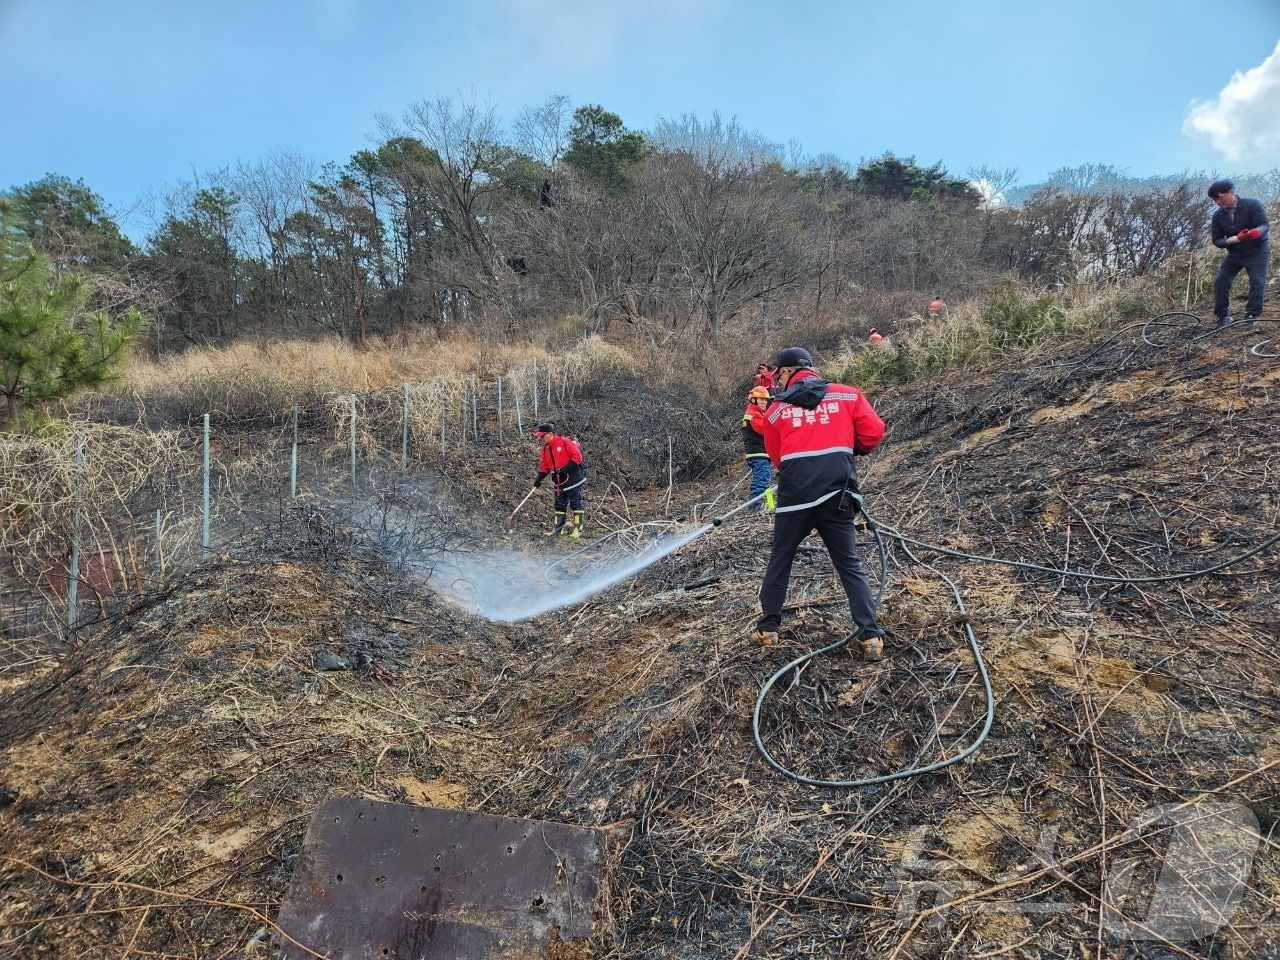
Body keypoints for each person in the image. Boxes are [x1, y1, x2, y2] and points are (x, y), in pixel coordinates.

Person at [754, 347, 888, 660]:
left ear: (786, 373)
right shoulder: (848, 395)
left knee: (781, 557)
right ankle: (870, 636)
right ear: (811, 369)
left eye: (779, 377)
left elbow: (778, 458)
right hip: (837, 494)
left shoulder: (775, 409)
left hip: (795, 496)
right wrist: (843, 447)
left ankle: (769, 628)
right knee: (848, 563)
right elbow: (873, 433)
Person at [1208, 180, 1269, 330]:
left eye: (1220, 198)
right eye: (1214, 200)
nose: (1217, 202)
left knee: (1257, 282)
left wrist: (1254, 233)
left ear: (1232, 192)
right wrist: (1229, 241)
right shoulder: (1217, 216)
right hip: (1234, 254)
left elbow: (1264, 225)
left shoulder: (1252, 205)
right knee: (1221, 281)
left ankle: (1251, 315)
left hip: (1257, 251)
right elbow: (1217, 239)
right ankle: (1222, 316)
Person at [532, 422, 586, 538]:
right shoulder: (546, 449)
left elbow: (577, 457)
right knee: (559, 504)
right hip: (558, 480)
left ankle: (578, 530)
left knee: (576, 502)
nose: (540, 438)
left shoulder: (564, 442)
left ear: (550, 434)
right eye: (540, 436)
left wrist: (564, 469)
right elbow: (545, 466)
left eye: (542, 435)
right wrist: (539, 479)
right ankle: (558, 530)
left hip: (572, 477)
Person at [741, 387, 772, 513]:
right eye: (761, 399)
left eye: (765, 400)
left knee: (763, 478)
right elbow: (765, 430)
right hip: (758, 453)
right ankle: (755, 507)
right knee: (761, 479)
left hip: (760, 453)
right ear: (753, 400)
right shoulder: (753, 414)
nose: (764, 402)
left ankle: (758, 506)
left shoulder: (758, 413)